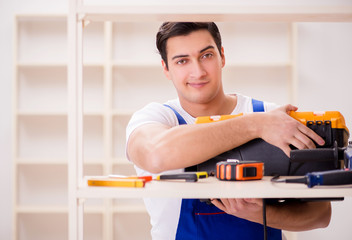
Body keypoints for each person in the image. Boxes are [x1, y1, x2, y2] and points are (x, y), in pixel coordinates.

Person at [126, 22, 331, 240]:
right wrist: (255, 125)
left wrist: (262, 214)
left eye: (206, 55)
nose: (198, 71)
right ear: (166, 68)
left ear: (222, 56)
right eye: (182, 61)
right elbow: (156, 155)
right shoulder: (156, 118)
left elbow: (321, 214)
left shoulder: (273, 116)